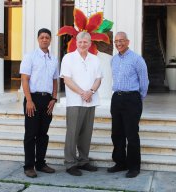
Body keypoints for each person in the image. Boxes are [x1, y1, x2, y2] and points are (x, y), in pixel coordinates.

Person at [60, 31, 103, 176]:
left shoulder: (95, 59)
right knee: (72, 133)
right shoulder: (68, 58)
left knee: (86, 133)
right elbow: (67, 79)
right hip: (74, 102)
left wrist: (90, 92)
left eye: (86, 42)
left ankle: (83, 161)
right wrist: (82, 93)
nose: (83, 44)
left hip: (90, 101)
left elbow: (98, 79)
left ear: (90, 43)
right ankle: (70, 163)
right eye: (80, 42)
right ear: (76, 43)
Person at [107, 31, 149, 178]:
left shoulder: (137, 59)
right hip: (116, 99)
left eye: (121, 41)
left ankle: (134, 167)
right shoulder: (113, 60)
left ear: (128, 41)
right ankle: (120, 163)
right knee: (117, 133)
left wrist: (137, 99)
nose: (119, 43)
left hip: (132, 99)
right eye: (116, 41)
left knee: (131, 134)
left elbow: (144, 83)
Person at [20, 28, 59, 178]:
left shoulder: (54, 59)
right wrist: (29, 100)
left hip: (47, 100)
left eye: (47, 37)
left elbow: (55, 80)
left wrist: (54, 98)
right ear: (38, 39)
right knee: (31, 134)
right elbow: (24, 79)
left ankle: (41, 163)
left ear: (50, 40)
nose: (44, 39)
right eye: (42, 37)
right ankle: (29, 166)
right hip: (33, 99)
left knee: (43, 133)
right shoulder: (30, 57)